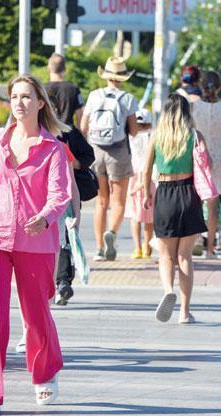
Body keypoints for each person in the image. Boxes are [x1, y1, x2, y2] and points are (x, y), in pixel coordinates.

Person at [0, 74, 72, 415]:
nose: (18, 102)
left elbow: (60, 194)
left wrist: (46, 217)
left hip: (36, 241)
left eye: (26, 97)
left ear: (40, 104)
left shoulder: (52, 149)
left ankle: (45, 372)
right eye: (14, 96)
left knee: (36, 316)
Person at [143, 93, 208, 324]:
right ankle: (185, 312)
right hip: (189, 194)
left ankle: (167, 289)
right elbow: (204, 165)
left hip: (165, 194)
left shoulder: (156, 136)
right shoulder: (195, 136)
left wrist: (145, 194)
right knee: (185, 257)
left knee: (166, 255)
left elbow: (145, 170)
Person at [45, 53, 94, 306]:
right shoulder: (73, 89)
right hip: (54, 185)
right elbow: (82, 115)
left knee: (63, 232)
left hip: (63, 185)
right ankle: (57, 280)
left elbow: (88, 154)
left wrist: (66, 162)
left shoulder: (43, 88)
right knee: (58, 235)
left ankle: (62, 280)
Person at [80, 56, 139, 262]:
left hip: (96, 151)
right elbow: (133, 131)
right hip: (118, 152)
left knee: (101, 202)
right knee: (119, 201)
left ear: (105, 75)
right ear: (123, 78)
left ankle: (98, 249)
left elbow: (83, 128)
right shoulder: (128, 99)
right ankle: (112, 233)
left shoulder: (94, 96)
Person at [190, 70, 221, 258]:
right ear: (219, 87)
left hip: (198, 155)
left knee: (196, 201)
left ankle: (196, 239)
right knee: (214, 206)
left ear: (200, 85)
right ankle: (210, 249)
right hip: (218, 157)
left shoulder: (193, 107)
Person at [125, 109, 154, 259]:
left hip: (133, 176)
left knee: (134, 216)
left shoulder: (129, 138)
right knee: (149, 217)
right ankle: (147, 248)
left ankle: (137, 248)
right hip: (150, 178)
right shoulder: (151, 136)